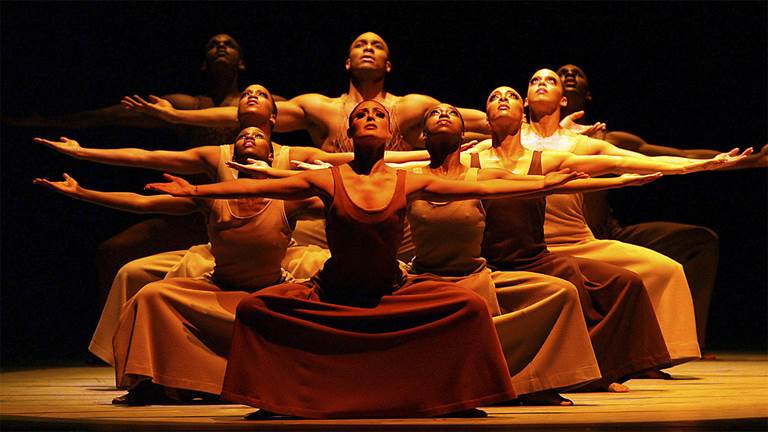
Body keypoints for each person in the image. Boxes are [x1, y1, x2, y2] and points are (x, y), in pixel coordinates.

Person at [143, 100, 589, 418]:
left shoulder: (408, 181)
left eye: (379, 115)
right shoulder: (328, 178)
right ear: (351, 133)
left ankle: (458, 397)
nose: (371, 118)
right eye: (362, 116)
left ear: (390, 132)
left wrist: (546, 186)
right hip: (332, 293)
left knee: (469, 308)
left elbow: (486, 188)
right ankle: (276, 398)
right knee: (256, 308)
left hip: (390, 292)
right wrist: (197, 190)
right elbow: (256, 186)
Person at [35, 85, 332, 364]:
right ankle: (148, 365)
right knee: (138, 278)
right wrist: (82, 158)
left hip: (283, 253)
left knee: (334, 278)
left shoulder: (296, 160)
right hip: (223, 253)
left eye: (261, 94)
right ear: (234, 115)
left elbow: (348, 182)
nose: (252, 96)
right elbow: (146, 171)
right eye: (246, 93)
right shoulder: (216, 168)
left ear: (275, 115)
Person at [407, 104, 682, 403]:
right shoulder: (410, 175)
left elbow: (561, 178)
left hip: (482, 271)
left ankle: (555, 379)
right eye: (435, 113)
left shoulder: (485, 174)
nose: (444, 114)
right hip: (429, 275)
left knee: (567, 291)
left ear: (463, 134)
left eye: (451, 113)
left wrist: (628, 179)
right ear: (422, 135)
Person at [473, 86, 708, 391]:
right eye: (494, 97)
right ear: (486, 118)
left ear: (522, 113)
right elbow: (420, 163)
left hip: (538, 253)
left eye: (510, 96)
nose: (503, 99)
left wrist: (690, 166)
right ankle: (584, 372)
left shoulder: (548, 158)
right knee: (570, 275)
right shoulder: (471, 157)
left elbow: (618, 163)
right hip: (496, 258)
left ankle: (610, 365)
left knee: (627, 282)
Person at [518, 68, 750, 367]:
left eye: (550, 81)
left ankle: (656, 355)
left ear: (563, 100)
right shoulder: (509, 140)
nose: (541, 84)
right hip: (530, 244)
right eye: (535, 80)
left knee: (665, 270)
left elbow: (645, 160)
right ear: (523, 100)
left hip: (576, 239)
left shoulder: (582, 144)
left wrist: (703, 165)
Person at [12, 34, 252, 309]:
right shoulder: (188, 104)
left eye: (229, 44)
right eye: (213, 44)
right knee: (113, 252)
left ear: (241, 62)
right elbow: (112, 116)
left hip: (241, 215)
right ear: (203, 64)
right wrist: (47, 122)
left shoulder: (256, 105)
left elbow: (303, 114)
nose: (220, 46)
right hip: (190, 212)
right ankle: (114, 342)